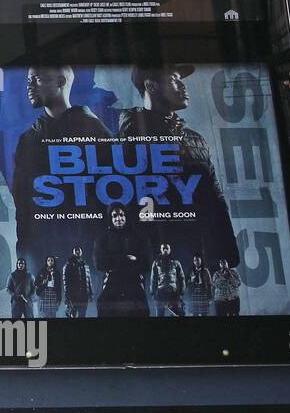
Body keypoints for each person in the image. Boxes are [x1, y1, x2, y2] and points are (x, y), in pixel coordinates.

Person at [119, 65, 240, 269]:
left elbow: (215, 198)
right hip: (161, 259)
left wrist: (227, 250)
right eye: (174, 79)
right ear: (151, 86)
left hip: (204, 257)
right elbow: (128, 200)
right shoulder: (133, 136)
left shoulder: (195, 139)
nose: (183, 86)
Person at [10, 65, 110, 276]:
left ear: (61, 82)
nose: (29, 86)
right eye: (28, 80)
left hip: (90, 253)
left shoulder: (95, 130)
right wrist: (25, 253)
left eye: (36, 79)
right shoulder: (28, 139)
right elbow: (23, 206)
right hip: (44, 254)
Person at [95, 203, 149, 317]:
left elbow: (147, 263)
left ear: (126, 216)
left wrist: (113, 261)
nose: (118, 219)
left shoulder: (139, 237)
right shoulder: (103, 238)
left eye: (121, 215)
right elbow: (99, 263)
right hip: (112, 285)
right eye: (114, 216)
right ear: (110, 218)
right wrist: (126, 258)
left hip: (134, 284)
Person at [149, 242, 186, 318]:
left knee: (176, 313)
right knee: (160, 314)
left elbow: (181, 278)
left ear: (170, 250)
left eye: (167, 248)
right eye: (163, 248)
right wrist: (153, 293)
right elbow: (153, 279)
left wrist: (181, 293)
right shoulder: (156, 263)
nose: (165, 250)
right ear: (161, 250)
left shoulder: (176, 262)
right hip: (160, 292)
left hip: (173, 292)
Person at [62, 246, 93, 318]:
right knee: (72, 315)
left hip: (84, 296)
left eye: (79, 250)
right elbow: (65, 282)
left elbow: (89, 280)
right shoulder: (68, 265)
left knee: (82, 315)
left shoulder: (85, 265)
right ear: (73, 252)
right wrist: (67, 297)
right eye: (76, 250)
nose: (78, 252)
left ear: (81, 252)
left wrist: (91, 293)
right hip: (73, 296)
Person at [34, 254, 61, 319]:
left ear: (54, 262)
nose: (50, 262)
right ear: (46, 262)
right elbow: (36, 283)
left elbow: (59, 287)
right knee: (44, 314)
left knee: (53, 314)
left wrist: (59, 298)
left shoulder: (57, 272)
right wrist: (43, 282)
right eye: (48, 260)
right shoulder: (42, 271)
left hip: (53, 293)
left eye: (52, 260)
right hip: (44, 293)